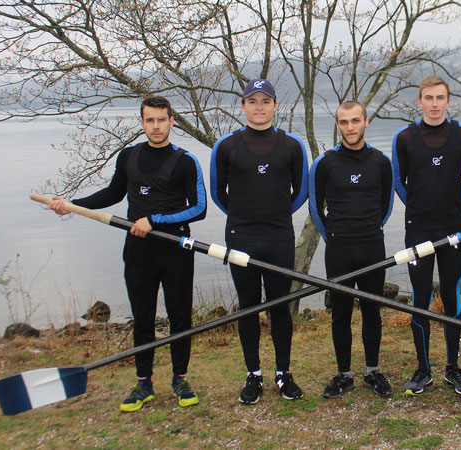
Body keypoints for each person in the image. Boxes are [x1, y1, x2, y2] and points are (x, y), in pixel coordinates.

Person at [49, 96, 207, 412]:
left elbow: (199, 209)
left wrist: (155, 220)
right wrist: (72, 205)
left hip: (175, 248)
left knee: (180, 317)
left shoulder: (186, 161)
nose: (156, 126)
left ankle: (179, 379)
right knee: (143, 317)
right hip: (138, 250)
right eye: (149, 120)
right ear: (142, 122)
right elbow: (111, 194)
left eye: (161, 120)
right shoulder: (129, 157)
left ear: (171, 121)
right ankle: (144, 383)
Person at [210, 79, 308, 404]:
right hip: (241, 237)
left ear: (275, 105)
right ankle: (253, 375)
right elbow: (217, 193)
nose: (260, 107)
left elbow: (300, 192)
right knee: (248, 308)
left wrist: (276, 215)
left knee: (280, 307)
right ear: (243, 106)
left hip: (279, 237)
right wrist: (243, 216)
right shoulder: (226, 146)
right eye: (253, 101)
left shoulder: (291, 145)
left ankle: (283, 374)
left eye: (266, 101)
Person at [391, 76, 461, 397]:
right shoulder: (405, 138)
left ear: (448, 101)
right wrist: (417, 206)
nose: (435, 104)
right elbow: (399, 182)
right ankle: (423, 368)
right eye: (429, 98)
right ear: (420, 101)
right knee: (420, 296)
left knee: (452, 295)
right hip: (418, 228)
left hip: (453, 225)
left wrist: (454, 202)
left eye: (440, 98)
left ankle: (453, 368)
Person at [309, 100, 394, 398]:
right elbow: (315, 208)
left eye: (355, 121)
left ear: (366, 122)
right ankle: (344, 374)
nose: (350, 127)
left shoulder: (382, 162)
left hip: (372, 245)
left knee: (372, 310)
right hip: (339, 248)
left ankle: (372, 371)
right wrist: (332, 236)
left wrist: (369, 228)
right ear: (337, 125)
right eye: (344, 122)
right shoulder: (325, 163)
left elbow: (386, 206)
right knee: (341, 312)